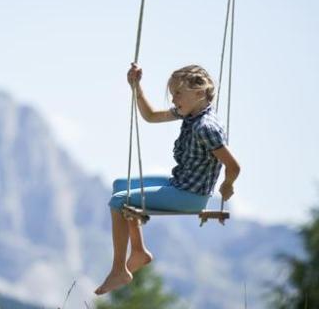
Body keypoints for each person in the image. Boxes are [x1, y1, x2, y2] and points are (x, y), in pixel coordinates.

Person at [95, 64, 240, 295]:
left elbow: (233, 165)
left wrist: (227, 185)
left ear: (199, 93)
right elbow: (151, 116)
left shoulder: (205, 127)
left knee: (118, 201)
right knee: (120, 185)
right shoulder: (191, 113)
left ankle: (118, 269)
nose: (173, 100)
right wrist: (137, 87)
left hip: (190, 197)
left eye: (177, 94)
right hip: (180, 185)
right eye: (172, 94)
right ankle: (139, 252)